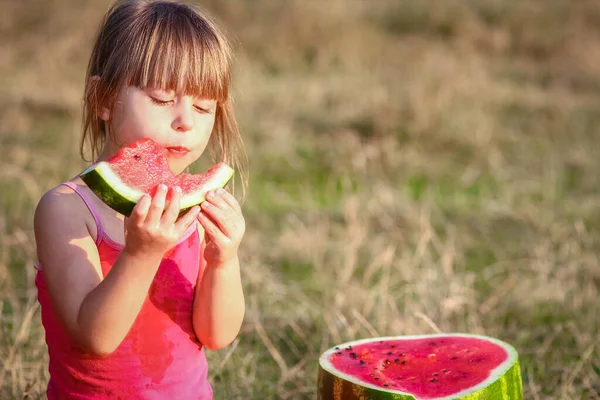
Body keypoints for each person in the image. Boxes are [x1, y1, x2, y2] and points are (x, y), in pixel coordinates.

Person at [33, 1, 248, 398]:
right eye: (163, 100)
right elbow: (95, 338)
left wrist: (223, 260)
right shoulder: (65, 209)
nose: (186, 120)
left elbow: (217, 335)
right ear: (104, 98)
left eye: (203, 107)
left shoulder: (193, 208)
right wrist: (141, 254)